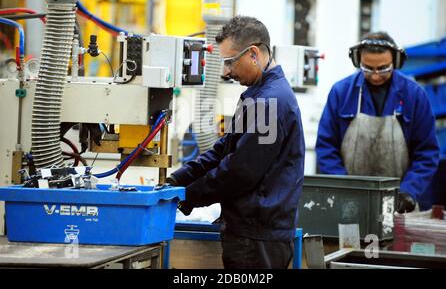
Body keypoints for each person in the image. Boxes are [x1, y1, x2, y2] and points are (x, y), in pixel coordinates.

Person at [167, 16, 305, 269]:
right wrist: (179, 179)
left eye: (230, 62)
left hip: (257, 236)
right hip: (252, 231)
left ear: (253, 53)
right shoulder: (258, 95)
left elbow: (240, 171)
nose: (226, 71)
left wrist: (188, 195)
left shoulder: (269, 102)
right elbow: (225, 148)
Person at [316, 31, 440, 213]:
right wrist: (345, 187)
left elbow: (427, 152)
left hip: (400, 205)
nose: (375, 75)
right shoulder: (341, 93)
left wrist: (408, 192)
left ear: (396, 62)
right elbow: (326, 148)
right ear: (358, 61)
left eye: (383, 69)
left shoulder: (414, 95)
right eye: (367, 68)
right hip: (349, 203)